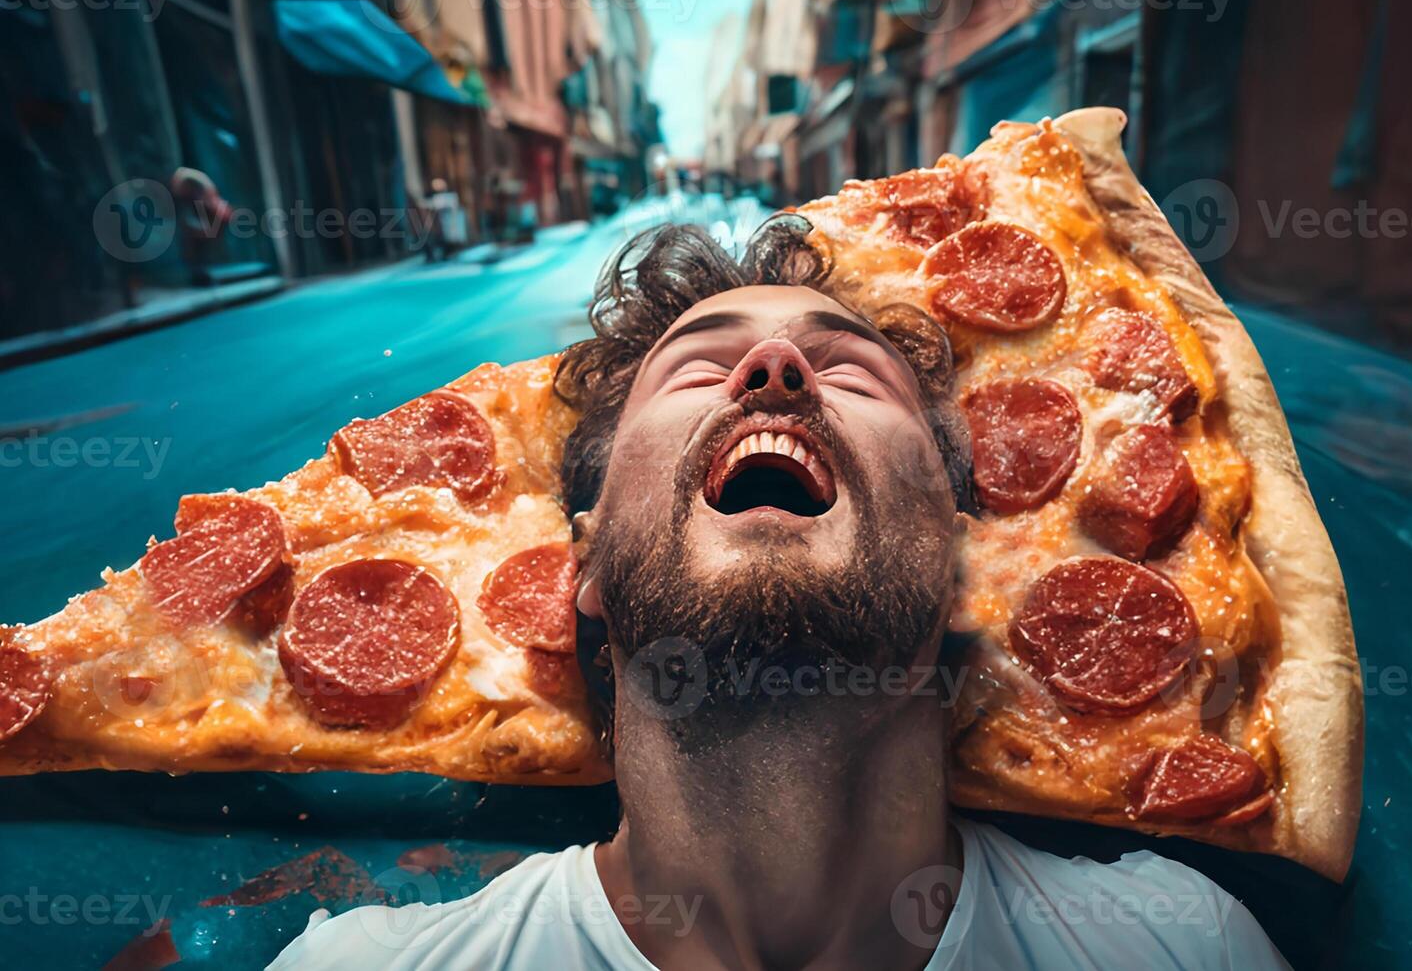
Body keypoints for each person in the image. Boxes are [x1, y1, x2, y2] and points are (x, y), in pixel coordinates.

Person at [269, 221, 1289, 970]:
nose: (773, 365)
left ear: (961, 563)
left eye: (852, 373)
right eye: (694, 370)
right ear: (583, 557)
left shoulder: (1187, 946)